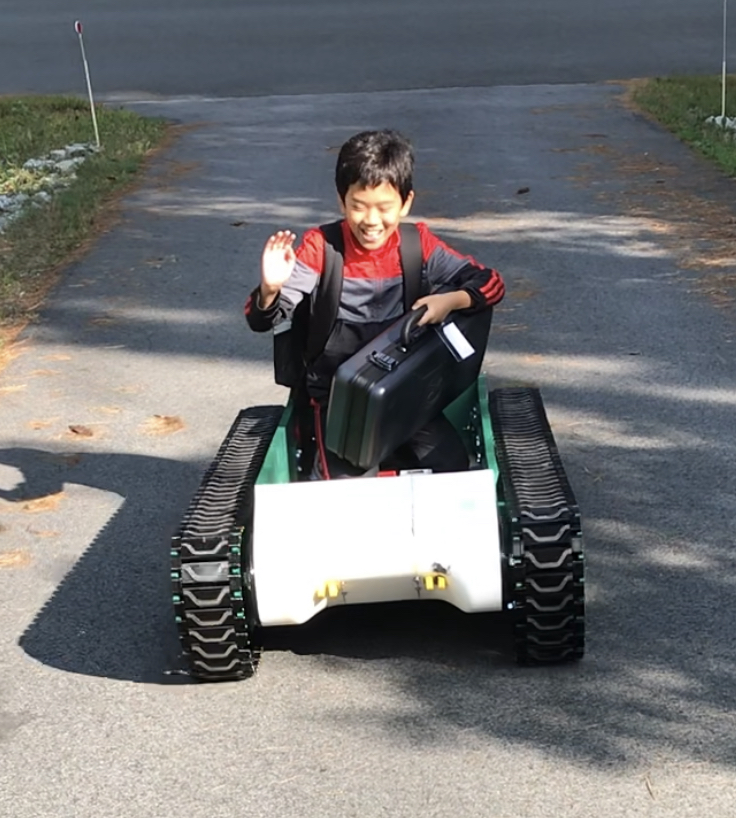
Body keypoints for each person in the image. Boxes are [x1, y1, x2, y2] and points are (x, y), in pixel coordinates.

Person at [245, 129, 505, 479]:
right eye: (358, 206)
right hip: (339, 401)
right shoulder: (321, 248)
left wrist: (450, 300)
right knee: (345, 490)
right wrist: (270, 289)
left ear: (406, 202)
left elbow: (490, 284)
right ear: (342, 202)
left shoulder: (418, 245)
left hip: (403, 393)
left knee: (454, 469)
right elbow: (264, 318)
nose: (371, 221)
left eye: (384, 208)